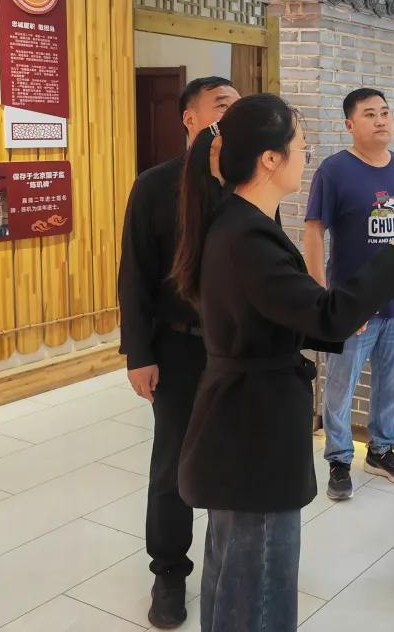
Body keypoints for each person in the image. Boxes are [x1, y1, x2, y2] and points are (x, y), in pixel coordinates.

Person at [170, 93, 394, 632]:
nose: (306, 156)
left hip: (244, 419)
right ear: (270, 159)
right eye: (301, 146)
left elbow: (281, 312)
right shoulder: (247, 235)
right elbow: (326, 315)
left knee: (236, 571)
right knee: (258, 578)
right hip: (253, 428)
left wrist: (334, 314)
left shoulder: (239, 222)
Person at [118, 76, 239, 629]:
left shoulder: (247, 181)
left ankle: (230, 562)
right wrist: (139, 354)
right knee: (173, 465)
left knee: (233, 460)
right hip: (179, 347)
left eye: (238, 106)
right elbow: (135, 276)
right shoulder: (155, 185)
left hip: (238, 349)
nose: (232, 114)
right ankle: (168, 571)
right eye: (221, 105)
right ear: (189, 118)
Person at [304, 88, 394, 502]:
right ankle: (338, 458)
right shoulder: (334, 171)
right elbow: (314, 232)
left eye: (385, 112)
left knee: (391, 383)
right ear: (349, 125)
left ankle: (381, 451)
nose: (381, 120)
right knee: (340, 385)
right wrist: (324, 299)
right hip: (351, 304)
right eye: (370, 114)